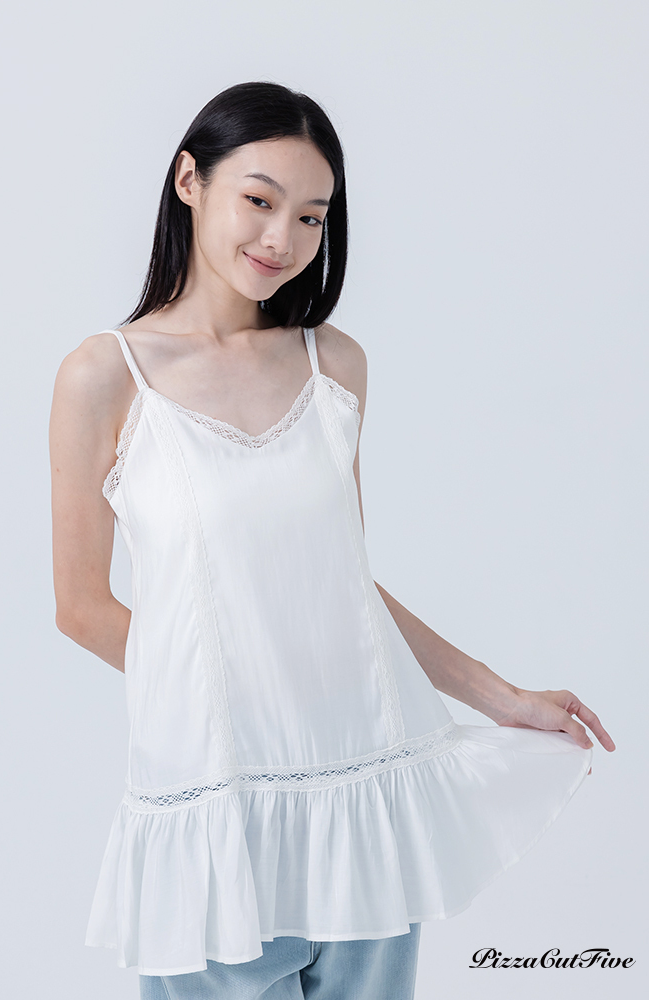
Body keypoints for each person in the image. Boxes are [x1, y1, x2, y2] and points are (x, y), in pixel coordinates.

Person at [49, 81, 615, 1000]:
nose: (282, 238)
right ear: (190, 180)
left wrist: (502, 697)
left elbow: (345, 584)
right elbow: (80, 608)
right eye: (259, 200)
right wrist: (230, 688)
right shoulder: (104, 377)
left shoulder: (334, 364)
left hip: (361, 806)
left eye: (312, 216)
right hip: (220, 814)